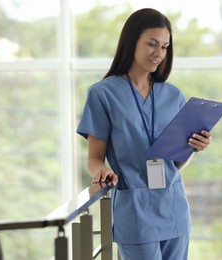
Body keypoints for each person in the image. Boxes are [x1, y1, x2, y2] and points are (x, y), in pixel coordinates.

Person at [77, 8, 212, 260]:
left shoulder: (174, 96)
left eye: (164, 46)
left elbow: (176, 163)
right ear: (132, 41)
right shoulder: (103, 95)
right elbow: (94, 158)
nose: (158, 53)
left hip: (174, 210)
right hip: (134, 213)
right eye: (152, 44)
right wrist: (101, 171)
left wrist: (194, 146)